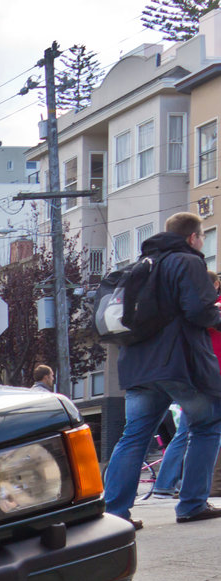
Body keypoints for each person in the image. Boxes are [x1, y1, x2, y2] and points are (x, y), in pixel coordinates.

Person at [102, 211, 221, 528]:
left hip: (137, 367)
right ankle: (192, 504)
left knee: (133, 437)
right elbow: (198, 310)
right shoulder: (188, 262)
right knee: (207, 424)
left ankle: (114, 514)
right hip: (177, 363)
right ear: (193, 238)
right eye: (201, 238)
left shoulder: (140, 266)